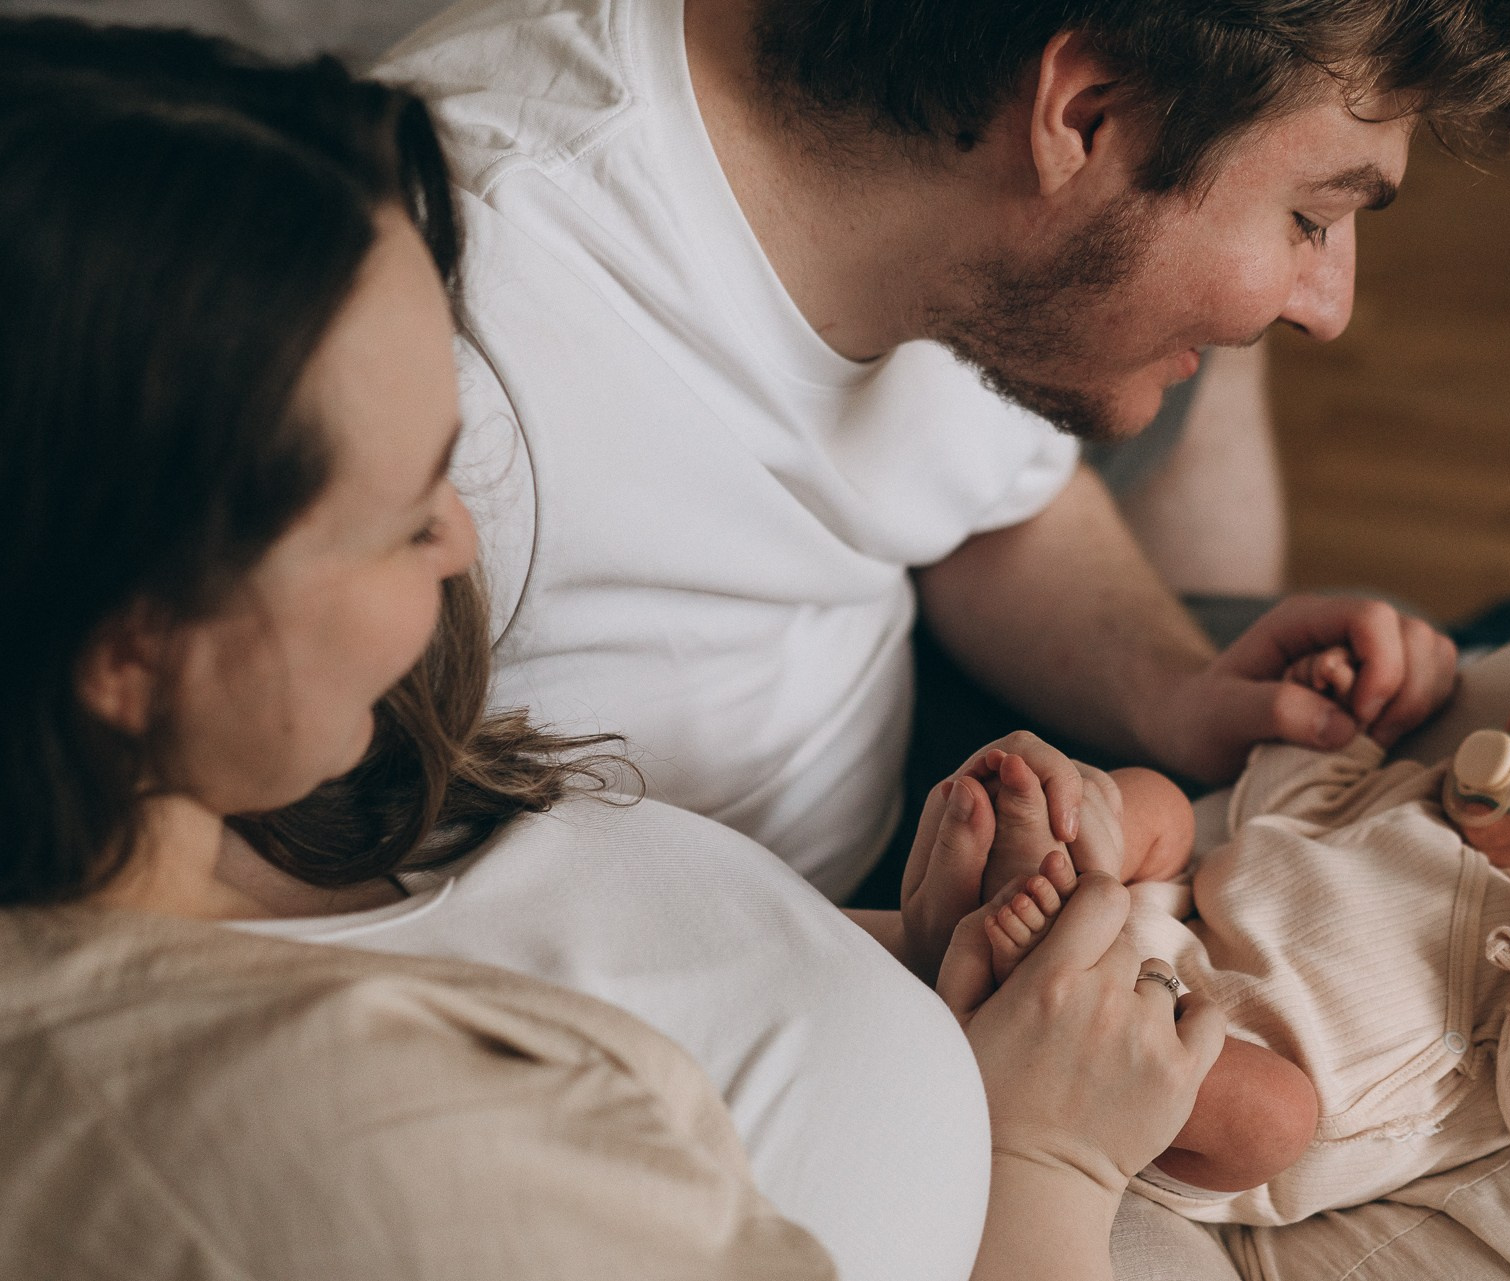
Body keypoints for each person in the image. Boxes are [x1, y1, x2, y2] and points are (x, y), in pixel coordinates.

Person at [0, 22, 1222, 1281]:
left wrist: (924, 951)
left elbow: (616, 959)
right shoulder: (356, 1155)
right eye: (403, 512)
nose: (461, 535)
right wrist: (1044, 1159)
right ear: (130, 649)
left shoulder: (270, 791)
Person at [369, 0, 1510, 903]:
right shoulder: (449, 358)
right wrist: (906, 974)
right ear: (1083, 117)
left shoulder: (952, 201)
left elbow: (990, 501)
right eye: (1312, 217)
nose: (1329, 305)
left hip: (912, 802)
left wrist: (1174, 691)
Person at [970, 653, 1510, 1225]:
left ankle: (1042, 958)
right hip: (1151, 940)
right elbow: (1282, 801)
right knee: (1158, 804)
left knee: (1277, 1113)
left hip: (1197, 1096)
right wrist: (1340, 709)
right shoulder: (1402, 801)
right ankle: (1055, 885)